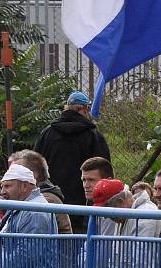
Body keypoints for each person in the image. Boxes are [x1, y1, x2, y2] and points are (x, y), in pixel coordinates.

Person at [34, 91, 112, 233]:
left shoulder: (47, 133)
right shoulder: (93, 136)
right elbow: (105, 168)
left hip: (51, 203)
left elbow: (35, 165)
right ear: (84, 109)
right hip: (83, 206)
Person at [9, 149, 74, 268]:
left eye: (16, 171)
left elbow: (28, 254)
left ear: (33, 175)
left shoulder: (44, 202)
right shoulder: (23, 200)